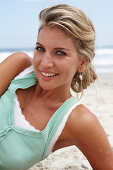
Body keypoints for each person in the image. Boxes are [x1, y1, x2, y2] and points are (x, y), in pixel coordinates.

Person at [0, 4, 113, 170]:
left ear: (82, 62)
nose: (45, 63)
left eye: (60, 53)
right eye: (40, 49)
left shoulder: (79, 120)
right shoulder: (19, 67)